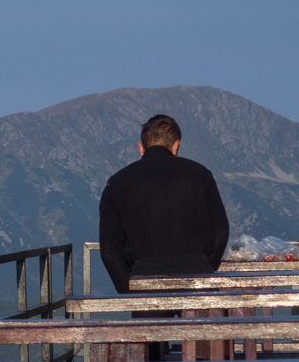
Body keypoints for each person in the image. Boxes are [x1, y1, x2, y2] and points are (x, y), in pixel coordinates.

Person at [99, 114, 230, 296]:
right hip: (197, 277)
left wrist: (130, 289)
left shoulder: (117, 183)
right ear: (176, 145)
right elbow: (221, 230)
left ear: (141, 147)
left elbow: (109, 249)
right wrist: (204, 267)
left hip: (144, 280)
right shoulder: (200, 175)